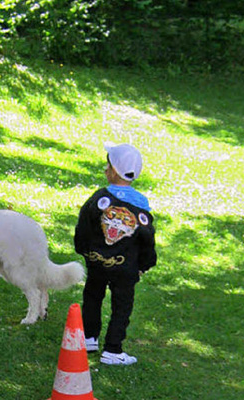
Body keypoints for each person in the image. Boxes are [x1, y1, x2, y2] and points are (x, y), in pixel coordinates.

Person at [74, 142, 156, 365]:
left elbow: (84, 226)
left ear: (113, 171)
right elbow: (147, 238)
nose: (105, 169)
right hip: (126, 268)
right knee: (122, 306)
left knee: (92, 297)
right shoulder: (141, 207)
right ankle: (113, 349)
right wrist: (144, 264)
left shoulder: (99, 198)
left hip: (97, 263)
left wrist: (84, 250)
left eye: (107, 165)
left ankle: (89, 337)